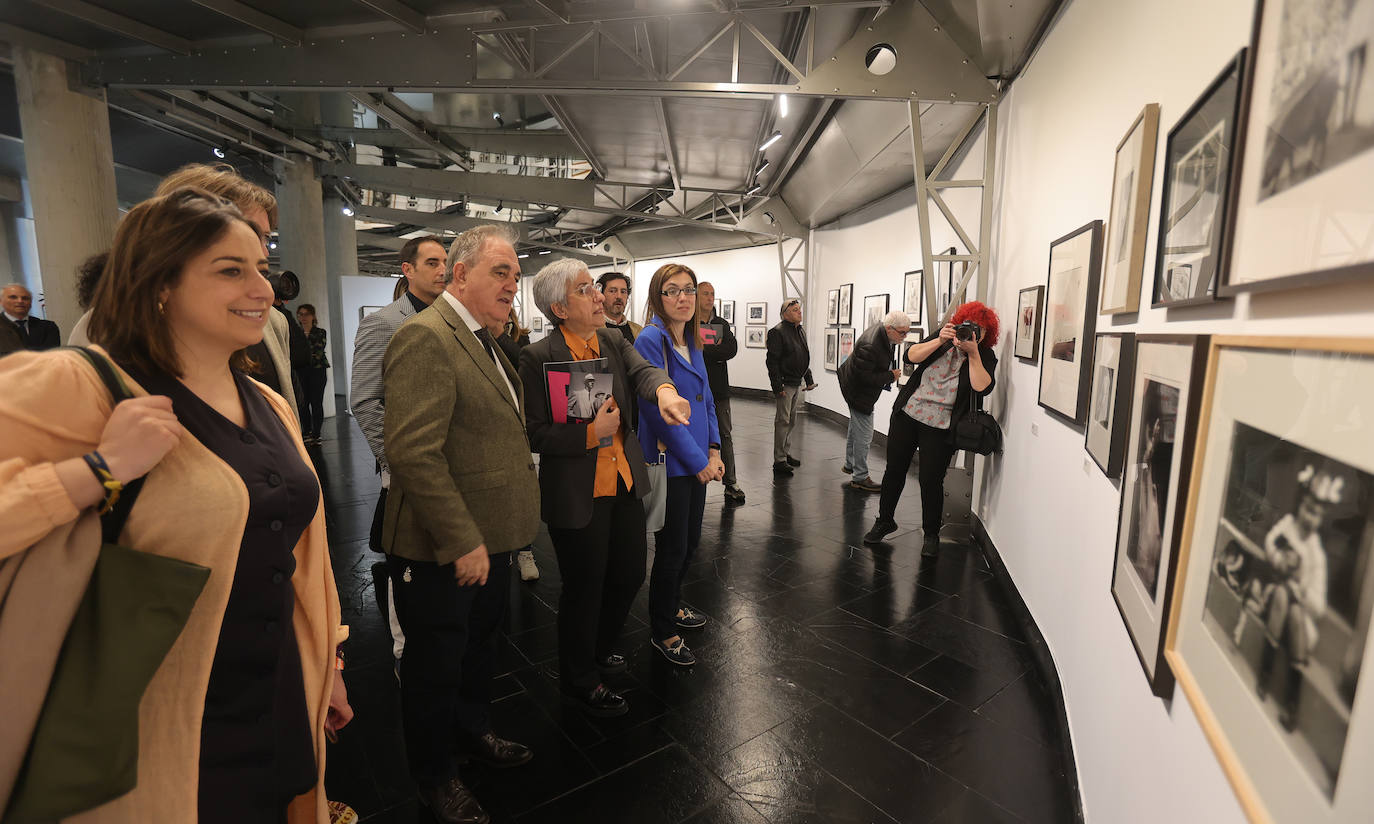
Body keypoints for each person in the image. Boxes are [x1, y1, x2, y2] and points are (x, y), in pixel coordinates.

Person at [0, 188, 351, 822]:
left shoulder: (266, 402)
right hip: (149, 715)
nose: (264, 291)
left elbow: (302, 552)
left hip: (274, 695)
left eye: (262, 269)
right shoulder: (85, 383)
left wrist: (329, 658)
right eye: (230, 270)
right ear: (159, 283)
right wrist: (99, 472)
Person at [382, 225, 538, 824]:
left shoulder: (484, 340)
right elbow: (414, 453)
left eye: (516, 276)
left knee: (475, 651)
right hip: (441, 548)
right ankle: (435, 776)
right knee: (433, 666)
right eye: (501, 272)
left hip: (487, 540)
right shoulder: (427, 337)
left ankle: (473, 733)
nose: (511, 286)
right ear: (460, 274)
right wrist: (461, 539)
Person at [519, 258, 689, 716]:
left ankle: (597, 648)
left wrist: (666, 392)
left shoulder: (613, 338)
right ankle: (580, 679)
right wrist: (591, 434)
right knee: (584, 586)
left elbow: (643, 372)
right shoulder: (537, 357)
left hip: (623, 480)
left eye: (594, 286)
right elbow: (534, 431)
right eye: (584, 290)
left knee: (630, 572)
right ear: (558, 308)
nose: (598, 295)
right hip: (577, 490)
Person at [351, 235, 448, 667]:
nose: (442, 269)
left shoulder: (455, 320)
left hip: (451, 464)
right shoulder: (384, 322)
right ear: (407, 269)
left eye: (445, 261)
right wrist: (396, 460)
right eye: (431, 262)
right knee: (406, 559)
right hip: (407, 467)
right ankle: (403, 650)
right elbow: (365, 399)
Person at [635, 263, 724, 667]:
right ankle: (662, 628)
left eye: (689, 289)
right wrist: (697, 460)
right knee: (672, 548)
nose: (684, 297)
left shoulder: (692, 337)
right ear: (658, 296)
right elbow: (657, 414)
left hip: (698, 459)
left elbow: (706, 398)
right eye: (673, 291)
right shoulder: (652, 339)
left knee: (688, 543)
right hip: (672, 461)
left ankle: (674, 605)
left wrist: (715, 448)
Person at [864, 302, 999, 556]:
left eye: (979, 330)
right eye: (967, 326)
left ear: (986, 334)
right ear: (958, 323)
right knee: (894, 470)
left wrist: (973, 353)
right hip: (908, 414)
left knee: (931, 480)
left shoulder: (985, 356)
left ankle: (931, 534)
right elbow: (909, 356)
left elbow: (983, 387)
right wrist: (940, 340)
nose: (971, 333)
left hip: (941, 425)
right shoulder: (943, 337)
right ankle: (885, 520)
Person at [1255, 464, 1334, 732]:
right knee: (1280, 593)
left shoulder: (1317, 555)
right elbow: (1269, 543)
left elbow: (1319, 607)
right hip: (1275, 601)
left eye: (1317, 514)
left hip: (1296, 622)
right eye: (1308, 509)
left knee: (1294, 607)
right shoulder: (1287, 525)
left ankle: (1292, 700)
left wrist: (1300, 586)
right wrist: (1280, 561)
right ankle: (1265, 672)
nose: (1310, 518)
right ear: (1300, 506)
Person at [839, 310, 910, 493]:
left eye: (907, 332)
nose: (905, 336)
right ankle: (860, 477)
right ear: (889, 328)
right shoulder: (871, 345)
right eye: (902, 332)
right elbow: (864, 377)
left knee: (856, 428)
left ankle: (850, 464)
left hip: (856, 388)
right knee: (865, 435)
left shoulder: (884, 335)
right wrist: (890, 376)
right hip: (857, 392)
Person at [496, 306, 540, 583]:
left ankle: (525, 551)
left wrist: (499, 336)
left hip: (517, 421)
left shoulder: (518, 338)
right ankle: (503, 551)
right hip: (490, 423)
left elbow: (523, 366)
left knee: (521, 492)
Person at [696, 281, 745, 503]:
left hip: (719, 389)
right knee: (695, 434)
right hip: (695, 390)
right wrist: (715, 350)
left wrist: (706, 348)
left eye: (712, 294)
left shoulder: (721, 324)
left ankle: (731, 482)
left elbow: (731, 349)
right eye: (705, 293)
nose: (709, 297)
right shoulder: (689, 323)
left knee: (725, 435)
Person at [765, 298, 815, 476]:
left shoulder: (799, 331)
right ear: (785, 313)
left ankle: (785, 453)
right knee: (783, 421)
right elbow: (772, 362)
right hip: (785, 383)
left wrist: (808, 379)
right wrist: (777, 386)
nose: (799, 312)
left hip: (796, 382)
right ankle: (779, 460)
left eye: (799, 309)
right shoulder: (777, 332)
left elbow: (804, 357)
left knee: (791, 420)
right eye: (795, 310)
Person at [295, 303, 329, 445]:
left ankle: (316, 434)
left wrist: (301, 356)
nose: (303, 317)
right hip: (301, 372)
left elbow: (318, 351)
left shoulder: (320, 332)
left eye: (306, 314)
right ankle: (306, 432)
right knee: (303, 404)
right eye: (300, 314)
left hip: (317, 371)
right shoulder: (295, 333)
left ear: (313, 316)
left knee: (316, 403)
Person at [2, 284, 60, 350]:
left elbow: (52, 355)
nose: (20, 301)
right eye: (13, 297)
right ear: (1, 301)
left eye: (25, 298)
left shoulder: (48, 327)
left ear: (31, 302)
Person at [597, 271, 641, 343]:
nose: (619, 296)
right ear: (601, 295)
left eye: (623, 292)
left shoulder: (638, 331)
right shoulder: (591, 330)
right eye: (612, 291)